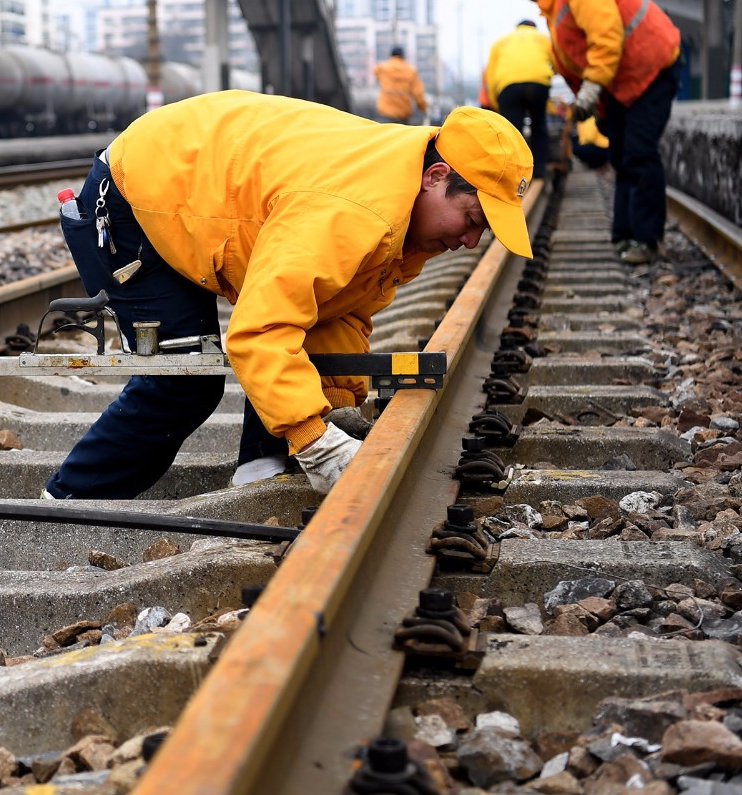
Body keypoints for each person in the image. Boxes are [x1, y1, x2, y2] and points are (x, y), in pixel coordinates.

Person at [41, 92, 533, 500]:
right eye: (472, 220)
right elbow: (260, 330)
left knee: (289, 341)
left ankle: (260, 475)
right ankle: (68, 503)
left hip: (198, 186)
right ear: (437, 176)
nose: (470, 241)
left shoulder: (403, 202)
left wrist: (333, 403)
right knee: (182, 379)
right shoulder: (352, 211)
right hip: (136, 195)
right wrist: (313, 438)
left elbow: (333, 308)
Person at [510, 0, 681, 265]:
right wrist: (593, 104)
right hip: (620, 83)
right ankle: (624, 235)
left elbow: (605, 40)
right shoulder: (556, 7)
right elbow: (577, 60)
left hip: (652, 70)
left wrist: (590, 92)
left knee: (639, 153)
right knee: (621, 155)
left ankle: (647, 240)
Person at [483, 20, 555, 178]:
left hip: (508, 86)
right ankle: (539, 170)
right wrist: (549, 76)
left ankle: (513, 174)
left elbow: (490, 74)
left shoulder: (501, 41)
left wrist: (495, 101)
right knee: (539, 126)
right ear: (533, 28)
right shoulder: (542, 38)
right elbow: (557, 61)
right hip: (538, 84)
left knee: (512, 131)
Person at [374, 46, 428, 124]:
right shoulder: (411, 71)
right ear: (403, 56)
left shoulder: (382, 68)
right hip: (403, 114)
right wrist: (422, 107)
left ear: (391, 55)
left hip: (385, 112)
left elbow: (375, 73)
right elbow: (418, 94)